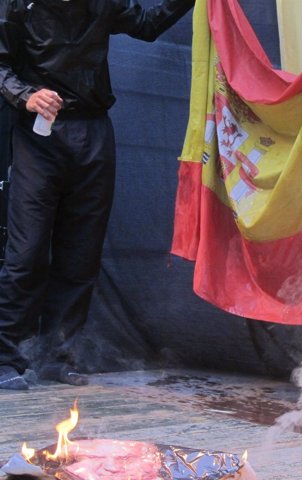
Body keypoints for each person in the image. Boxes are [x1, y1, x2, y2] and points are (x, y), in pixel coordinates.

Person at [0, 0, 194, 390]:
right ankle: (6, 359)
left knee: (81, 253)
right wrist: (26, 94)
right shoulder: (16, 5)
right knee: (26, 254)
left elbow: (147, 23)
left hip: (92, 132)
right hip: (38, 137)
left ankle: (58, 357)